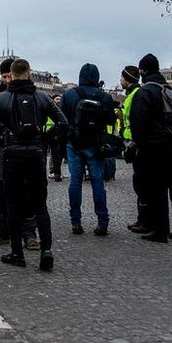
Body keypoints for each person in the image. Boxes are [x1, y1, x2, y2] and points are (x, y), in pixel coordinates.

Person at [0, 58, 66, 270]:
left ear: (10, 74)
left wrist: (2, 140)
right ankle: (46, 250)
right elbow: (63, 122)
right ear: (29, 74)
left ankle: (17, 253)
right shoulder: (42, 98)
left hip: (12, 155)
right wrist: (45, 139)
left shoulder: (1, 98)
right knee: (40, 204)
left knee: (13, 204)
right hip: (36, 154)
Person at [129, 53, 172, 243]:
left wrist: (139, 145)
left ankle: (160, 230)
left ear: (142, 71)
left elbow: (139, 123)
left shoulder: (145, 92)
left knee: (157, 189)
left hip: (155, 147)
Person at [60, 64, 114, 236]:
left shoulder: (68, 95)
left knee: (75, 181)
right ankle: (102, 221)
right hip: (95, 143)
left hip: (74, 143)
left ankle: (76, 221)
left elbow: (61, 118)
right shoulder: (104, 97)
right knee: (98, 182)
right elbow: (111, 120)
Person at [118, 66, 149, 234]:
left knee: (141, 183)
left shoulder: (135, 95)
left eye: (122, 78)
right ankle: (143, 218)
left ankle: (144, 219)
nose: (120, 81)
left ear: (127, 78)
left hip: (136, 144)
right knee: (140, 182)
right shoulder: (133, 94)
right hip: (133, 142)